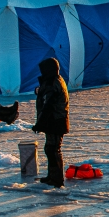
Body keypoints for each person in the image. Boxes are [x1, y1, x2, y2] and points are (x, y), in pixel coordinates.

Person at [32, 58, 70, 188]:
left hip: (55, 121)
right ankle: (52, 176)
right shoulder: (55, 81)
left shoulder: (53, 83)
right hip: (55, 121)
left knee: (53, 149)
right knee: (50, 148)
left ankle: (57, 178)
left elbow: (49, 105)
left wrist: (40, 124)